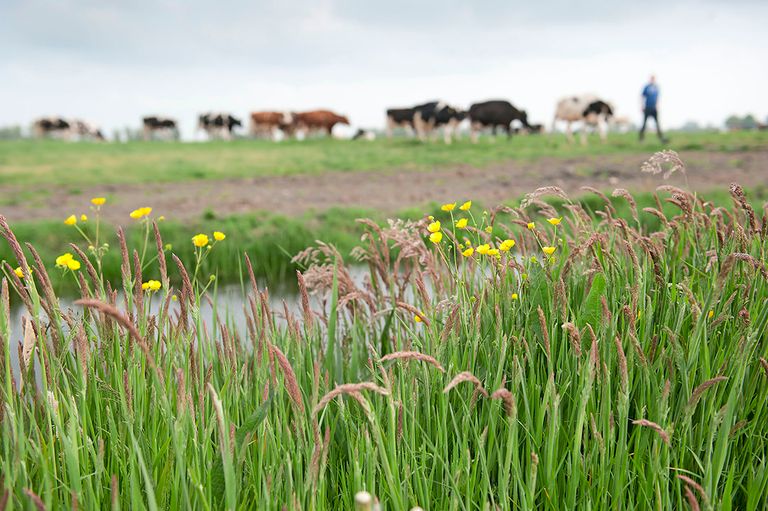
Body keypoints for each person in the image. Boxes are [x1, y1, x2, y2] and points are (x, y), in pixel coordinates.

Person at [639, 75, 668, 143]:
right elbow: (642, 96)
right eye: (651, 78)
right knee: (644, 123)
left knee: (657, 123)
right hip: (647, 107)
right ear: (650, 79)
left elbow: (657, 98)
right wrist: (642, 106)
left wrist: (657, 106)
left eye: (654, 79)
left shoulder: (656, 87)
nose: (652, 80)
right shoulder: (647, 87)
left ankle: (661, 138)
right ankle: (641, 138)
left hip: (654, 108)